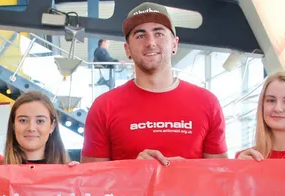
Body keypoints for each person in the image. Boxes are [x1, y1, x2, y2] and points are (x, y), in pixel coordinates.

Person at [81, 3, 227, 164]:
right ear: (127, 49)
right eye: (140, 35)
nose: (150, 42)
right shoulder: (104, 107)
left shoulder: (207, 103)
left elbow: (219, 177)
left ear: (174, 44)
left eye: (159, 33)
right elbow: (92, 182)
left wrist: (187, 171)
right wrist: (133, 172)